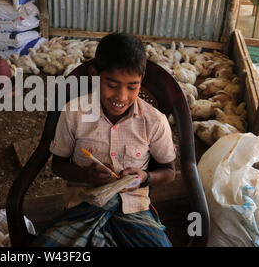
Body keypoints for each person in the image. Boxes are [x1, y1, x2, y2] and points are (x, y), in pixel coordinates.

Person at [31, 33, 176, 247]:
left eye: (132, 86)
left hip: (133, 210)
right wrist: (86, 175)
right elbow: (58, 164)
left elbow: (169, 172)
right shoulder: (74, 113)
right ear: (94, 75)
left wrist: (144, 177)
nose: (121, 96)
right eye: (112, 84)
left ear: (142, 79)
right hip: (83, 206)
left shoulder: (154, 121)